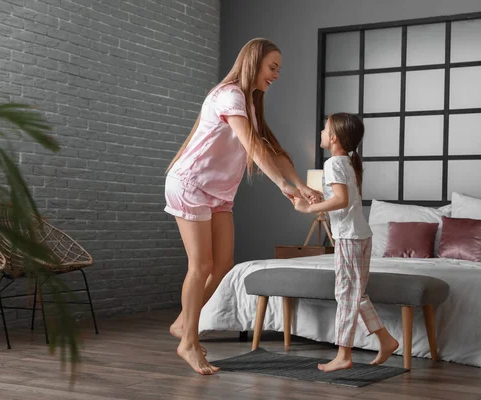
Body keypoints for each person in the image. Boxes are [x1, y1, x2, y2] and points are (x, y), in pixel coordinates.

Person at [164, 38, 320, 375]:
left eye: (278, 69)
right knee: (201, 265)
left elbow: (271, 148)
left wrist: (301, 185)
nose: (277, 74)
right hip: (191, 184)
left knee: (222, 265)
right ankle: (188, 342)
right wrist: (281, 186)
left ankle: (183, 323)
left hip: (218, 192)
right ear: (255, 61)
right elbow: (252, 146)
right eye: (273, 67)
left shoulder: (250, 101)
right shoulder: (230, 94)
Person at [293, 113, 399, 372]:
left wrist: (308, 208)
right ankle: (386, 340)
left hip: (349, 237)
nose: (320, 131)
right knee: (356, 294)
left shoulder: (332, 164)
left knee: (345, 294)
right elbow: (344, 199)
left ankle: (343, 355)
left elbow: (340, 200)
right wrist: (321, 198)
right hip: (361, 235)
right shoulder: (348, 162)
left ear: (334, 138)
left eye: (324, 128)